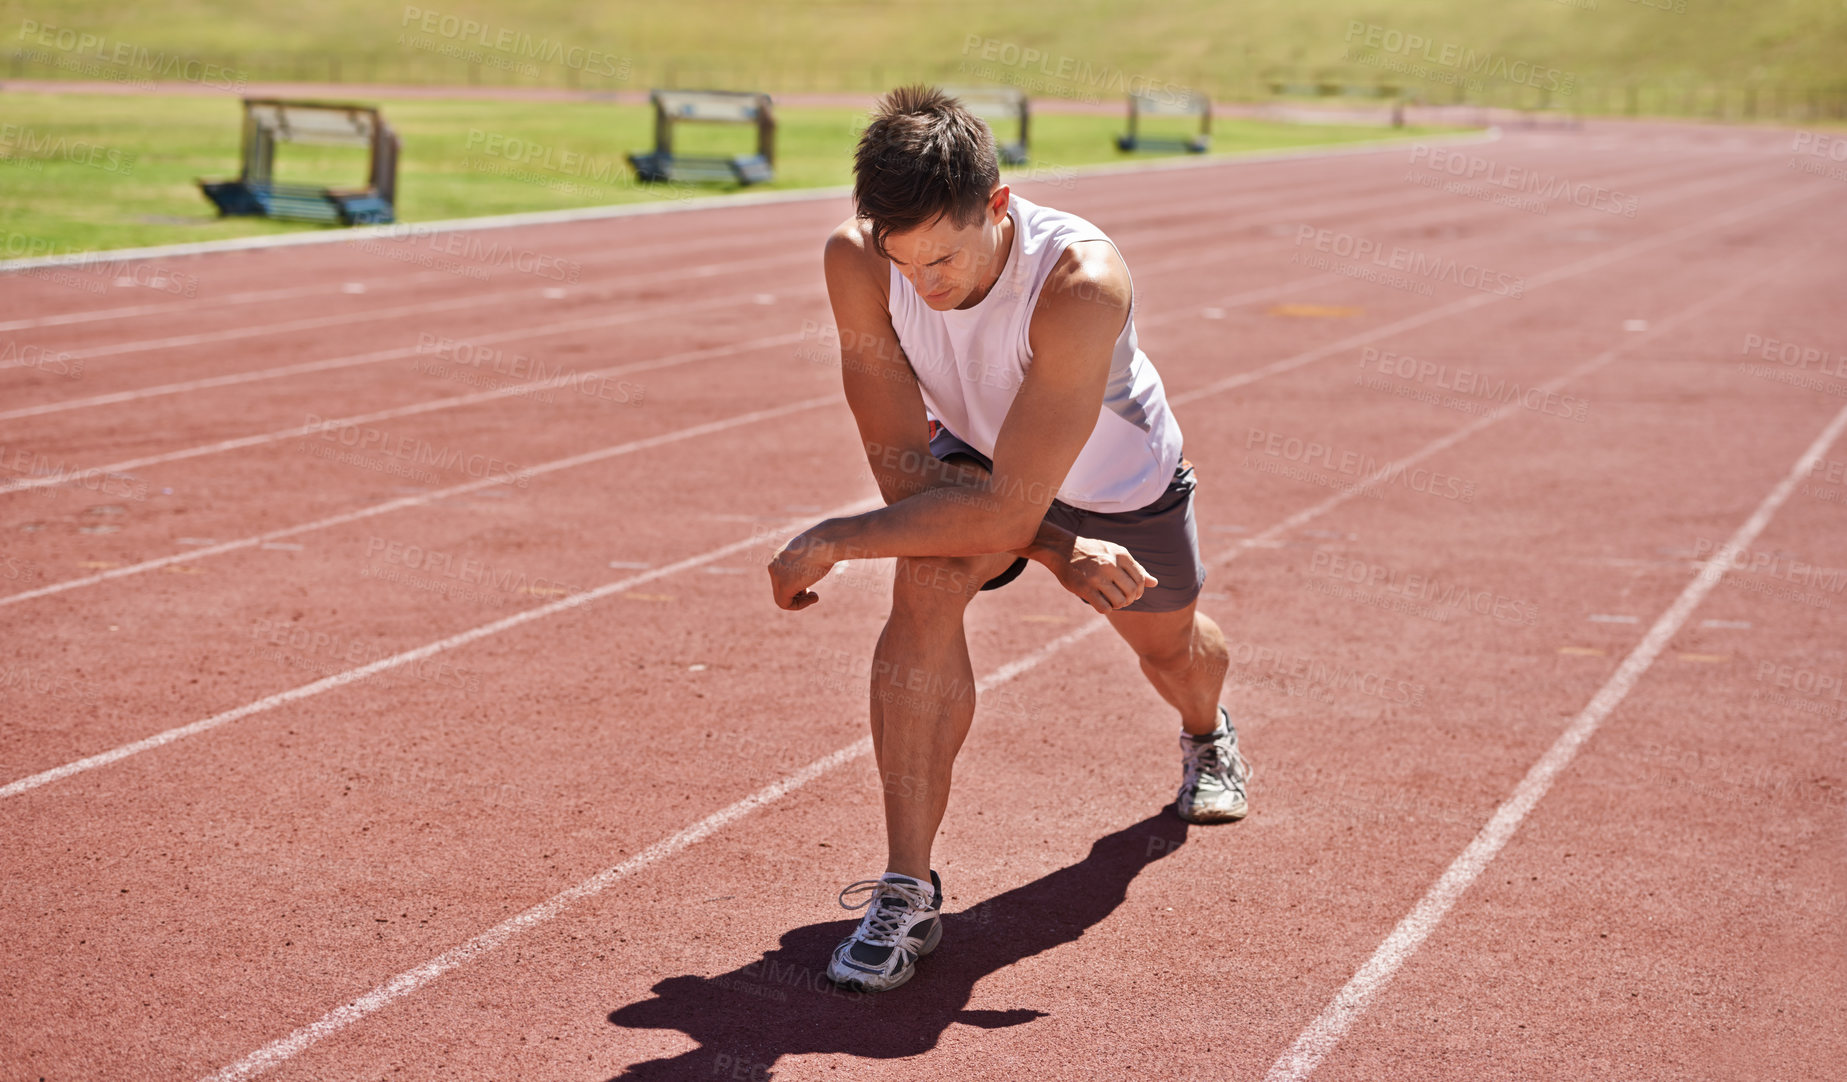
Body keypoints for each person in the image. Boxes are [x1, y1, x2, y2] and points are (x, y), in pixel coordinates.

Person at [767, 86, 1248, 994]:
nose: (927, 287)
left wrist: (835, 538)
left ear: (997, 206)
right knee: (927, 573)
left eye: (943, 259)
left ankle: (1206, 732)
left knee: (1173, 652)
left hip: (1115, 486)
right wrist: (1057, 553)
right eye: (906, 265)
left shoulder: (1078, 282)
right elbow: (910, 478)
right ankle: (905, 888)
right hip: (977, 466)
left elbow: (1008, 509)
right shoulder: (859, 261)